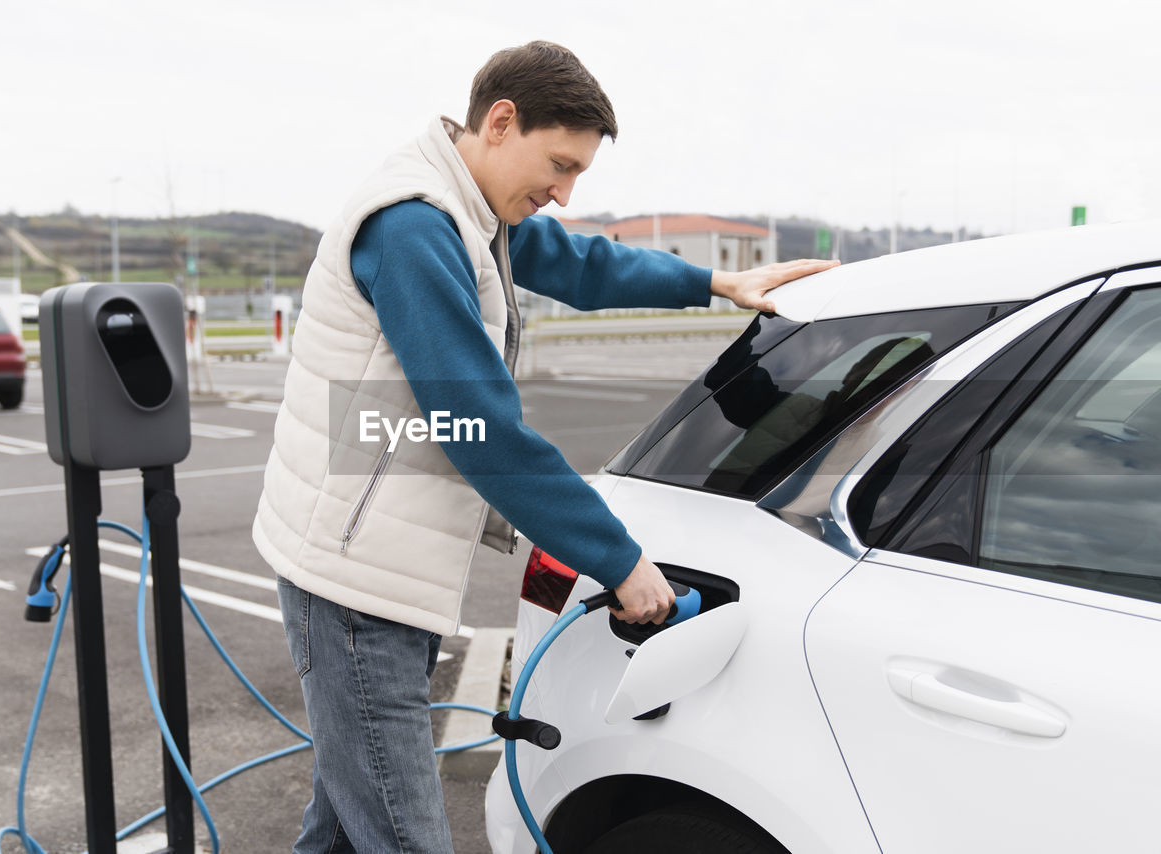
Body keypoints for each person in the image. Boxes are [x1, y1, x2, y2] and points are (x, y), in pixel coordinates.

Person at [252, 40, 837, 854]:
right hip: (353, 589)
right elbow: (482, 430)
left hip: (377, 569)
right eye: (559, 164)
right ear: (501, 123)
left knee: (347, 830)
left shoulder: (474, 209)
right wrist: (620, 561)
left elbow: (582, 264)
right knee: (400, 834)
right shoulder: (415, 228)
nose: (563, 193)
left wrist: (712, 284)